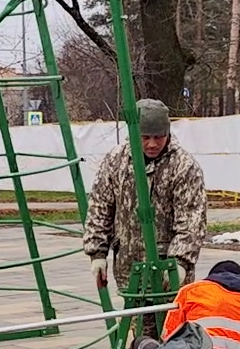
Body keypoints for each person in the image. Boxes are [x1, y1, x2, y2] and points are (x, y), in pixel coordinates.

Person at [82, 99, 207, 308]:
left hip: (168, 273)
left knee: (171, 335)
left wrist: (180, 261)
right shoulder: (116, 161)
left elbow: (192, 219)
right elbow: (100, 207)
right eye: (145, 137)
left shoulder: (184, 167)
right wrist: (97, 253)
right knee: (138, 335)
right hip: (129, 270)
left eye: (159, 137)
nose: (152, 144)